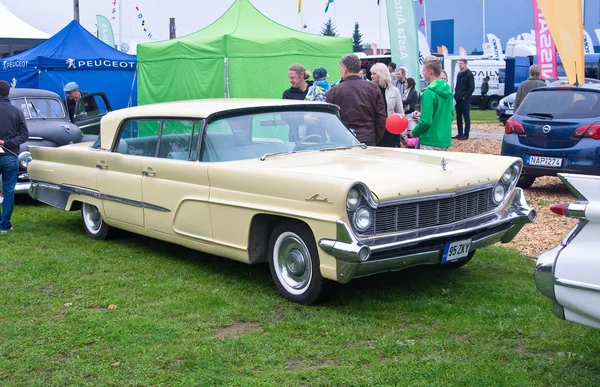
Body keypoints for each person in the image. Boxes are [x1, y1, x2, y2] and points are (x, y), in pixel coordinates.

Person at [326, 54, 386, 146]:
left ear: (345, 69)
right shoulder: (373, 88)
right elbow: (381, 117)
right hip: (368, 138)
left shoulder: (334, 91)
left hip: (342, 140)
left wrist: (335, 138)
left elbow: (329, 120)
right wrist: (375, 137)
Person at [0, 80, 29, 233]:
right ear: (8, 92)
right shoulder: (16, 111)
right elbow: (24, 135)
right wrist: (7, 142)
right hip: (10, 155)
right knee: (9, 191)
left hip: (7, 153)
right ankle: (5, 225)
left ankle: (3, 222)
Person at [409, 56, 453, 151]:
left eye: (424, 70)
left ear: (430, 71)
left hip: (430, 139)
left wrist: (414, 132)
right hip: (444, 139)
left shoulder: (428, 92)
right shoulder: (449, 91)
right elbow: (450, 116)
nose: (422, 72)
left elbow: (426, 121)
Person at [370, 63, 404, 147]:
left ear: (381, 74)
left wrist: (403, 133)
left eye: (374, 74)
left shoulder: (394, 90)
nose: (371, 76)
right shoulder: (369, 91)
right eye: (371, 73)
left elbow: (400, 112)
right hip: (375, 131)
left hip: (391, 131)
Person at [453, 59, 475, 140]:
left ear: (465, 64)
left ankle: (466, 134)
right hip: (458, 98)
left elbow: (471, 87)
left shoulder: (469, 74)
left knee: (466, 117)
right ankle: (460, 133)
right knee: (458, 117)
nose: (460, 65)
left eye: (461, 63)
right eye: (459, 64)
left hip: (465, 99)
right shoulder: (459, 74)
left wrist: (465, 97)